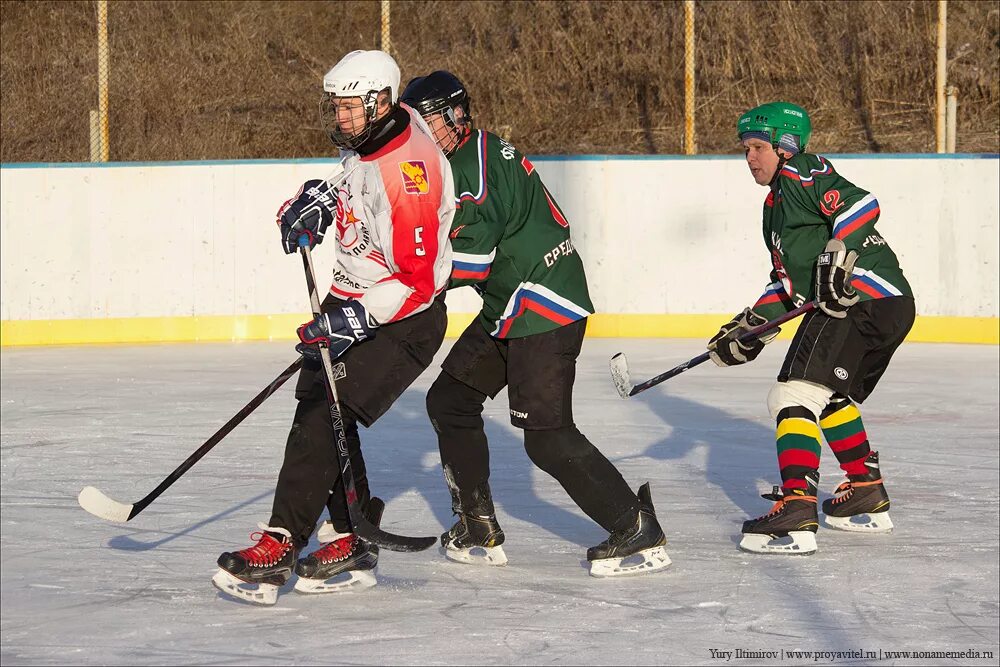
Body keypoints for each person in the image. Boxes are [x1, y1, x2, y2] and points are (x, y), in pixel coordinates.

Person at [401, 71, 670, 578]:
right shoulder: (467, 155)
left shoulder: (469, 165)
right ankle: (477, 525)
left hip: (540, 303)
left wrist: (405, 284)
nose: (422, 130)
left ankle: (636, 528)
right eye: (414, 122)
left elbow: (473, 261)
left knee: (544, 436)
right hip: (511, 303)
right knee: (451, 400)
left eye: (429, 120)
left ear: (458, 117)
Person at [212, 50, 455, 605]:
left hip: (403, 321)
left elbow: (416, 282)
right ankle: (351, 536)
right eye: (338, 106)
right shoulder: (376, 133)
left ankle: (280, 546)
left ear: (381, 102)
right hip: (354, 298)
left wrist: (357, 317)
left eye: (350, 107)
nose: (341, 117)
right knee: (320, 403)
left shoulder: (410, 175)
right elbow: (354, 178)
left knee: (325, 414)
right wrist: (320, 199)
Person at [709, 101, 914, 555]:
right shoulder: (773, 209)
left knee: (791, 396)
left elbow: (861, 205)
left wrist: (838, 254)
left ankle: (797, 505)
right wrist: (748, 328)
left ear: (785, 147)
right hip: (889, 305)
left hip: (861, 300)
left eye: (758, 147)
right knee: (830, 398)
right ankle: (865, 487)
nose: (750, 158)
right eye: (746, 149)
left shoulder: (803, 171)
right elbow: (790, 287)